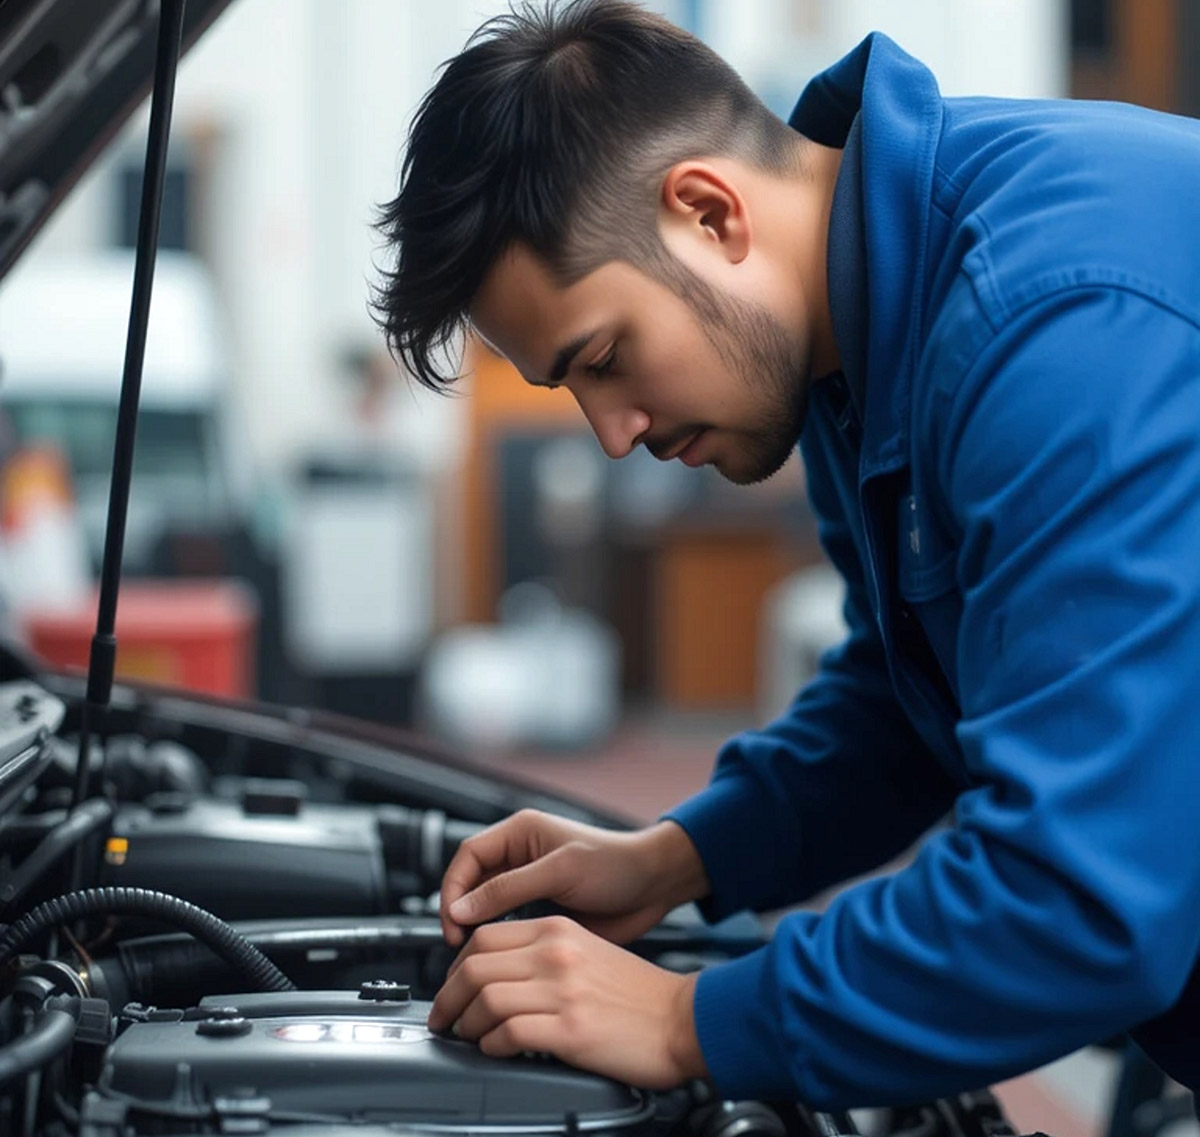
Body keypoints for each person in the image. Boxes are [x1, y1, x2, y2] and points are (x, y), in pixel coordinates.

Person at [371, 0, 1200, 1111]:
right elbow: (915, 697)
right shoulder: (854, 339)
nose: (612, 432)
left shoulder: (1053, 330)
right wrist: (676, 859)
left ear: (710, 213)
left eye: (605, 357)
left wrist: (681, 1019)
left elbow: (1079, 901)